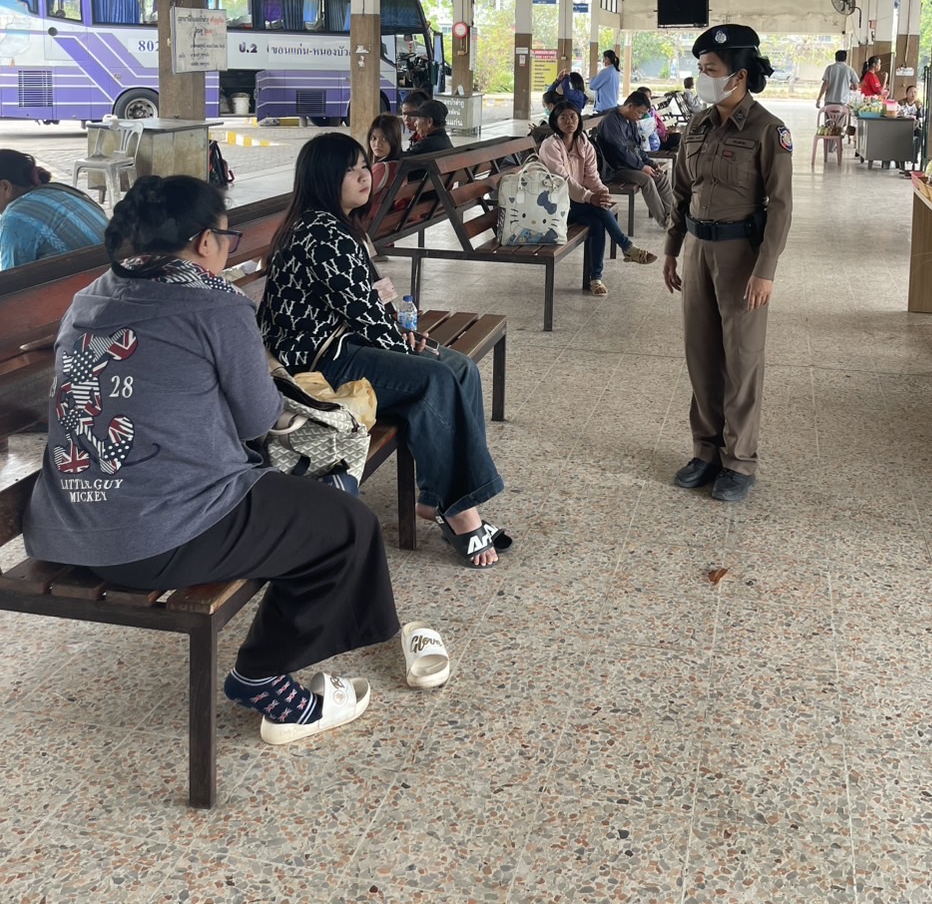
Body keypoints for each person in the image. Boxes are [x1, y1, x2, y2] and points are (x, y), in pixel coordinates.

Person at [22, 173, 397, 743]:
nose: (227, 249)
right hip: (155, 533)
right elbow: (257, 419)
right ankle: (263, 678)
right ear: (204, 241)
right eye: (228, 238)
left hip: (65, 523)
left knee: (300, 504)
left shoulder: (90, 297)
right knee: (349, 526)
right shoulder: (216, 303)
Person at [258, 133, 510, 567]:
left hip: (345, 343)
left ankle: (435, 498)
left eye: (364, 167)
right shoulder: (320, 233)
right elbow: (361, 310)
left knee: (460, 367)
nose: (365, 176)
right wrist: (402, 345)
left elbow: (370, 301)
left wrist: (403, 334)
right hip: (317, 363)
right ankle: (462, 513)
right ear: (323, 178)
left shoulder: (339, 225)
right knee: (434, 378)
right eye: (351, 170)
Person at [663, 24, 793, 505]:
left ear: (738, 76)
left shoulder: (768, 130)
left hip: (742, 256)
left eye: (711, 69)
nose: (703, 77)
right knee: (701, 356)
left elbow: (781, 206)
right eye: (701, 68)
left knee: (741, 359)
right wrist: (672, 248)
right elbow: (681, 191)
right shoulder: (697, 126)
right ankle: (706, 451)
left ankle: (739, 461)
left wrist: (766, 269)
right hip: (698, 248)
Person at [538, 100, 656, 296]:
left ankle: (596, 279)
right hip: (552, 205)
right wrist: (589, 197)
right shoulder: (550, 146)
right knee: (598, 208)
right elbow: (563, 181)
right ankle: (625, 246)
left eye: (573, 117)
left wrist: (601, 192)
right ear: (555, 121)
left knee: (597, 220)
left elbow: (591, 176)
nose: (569, 121)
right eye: (563, 117)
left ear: (578, 119)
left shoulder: (583, 143)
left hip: (574, 203)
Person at [0, 149, 108, 271]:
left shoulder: (14, 218)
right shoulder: (61, 191)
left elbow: (13, 278)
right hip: (113, 271)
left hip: (92, 278)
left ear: (5, 187)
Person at [595, 91, 675, 228]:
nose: (640, 117)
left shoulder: (630, 120)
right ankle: (665, 222)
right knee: (647, 180)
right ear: (630, 106)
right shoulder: (611, 121)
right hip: (614, 168)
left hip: (630, 165)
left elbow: (637, 147)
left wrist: (650, 162)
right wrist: (641, 167)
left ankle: (673, 216)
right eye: (639, 112)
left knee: (660, 177)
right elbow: (621, 151)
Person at [816, 50, 859, 121]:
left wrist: (819, 99)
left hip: (829, 102)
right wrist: (849, 87)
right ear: (846, 58)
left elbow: (825, 84)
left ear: (835, 58)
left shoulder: (830, 68)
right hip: (843, 103)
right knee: (841, 124)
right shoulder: (850, 70)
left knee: (829, 123)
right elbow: (856, 87)